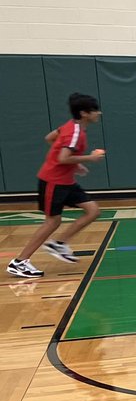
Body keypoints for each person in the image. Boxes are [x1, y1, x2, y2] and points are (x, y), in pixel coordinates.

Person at [7, 93, 107, 279]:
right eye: (95, 110)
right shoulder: (74, 132)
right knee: (53, 221)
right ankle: (20, 262)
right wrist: (89, 159)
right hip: (53, 181)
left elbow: (49, 138)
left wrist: (74, 164)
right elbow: (62, 158)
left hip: (66, 181)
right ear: (84, 113)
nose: (98, 113)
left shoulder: (71, 127)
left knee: (93, 211)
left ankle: (59, 243)